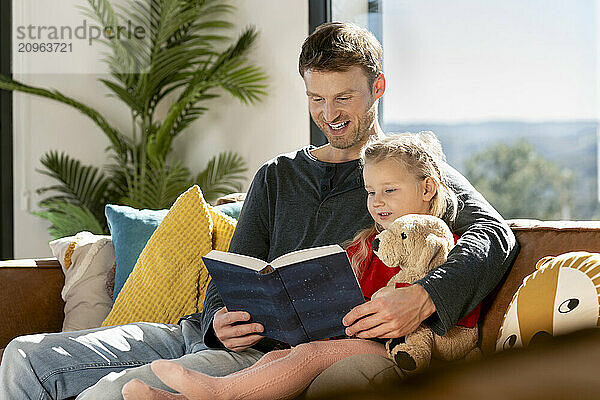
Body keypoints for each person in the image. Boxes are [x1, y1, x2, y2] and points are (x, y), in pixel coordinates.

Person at [0, 22, 517, 400]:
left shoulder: (406, 174)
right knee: (24, 357)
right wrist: (219, 319)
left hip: (269, 362)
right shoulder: (276, 175)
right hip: (214, 338)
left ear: (377, 88)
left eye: (344, 98)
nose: (330, 116)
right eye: (316, 99)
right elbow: (235, 269)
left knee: (114, 395)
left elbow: (494, 235)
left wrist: (425, 296)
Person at [119, 131, 482, 400]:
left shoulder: (434, 239)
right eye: (370, 192)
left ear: (429, 188)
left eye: (390, 191)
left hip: (408, 347)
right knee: (282, 355)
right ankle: (180, 399)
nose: (377, 202)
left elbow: (434, 301)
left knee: (309, 354)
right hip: (366, 337)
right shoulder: (374, 240)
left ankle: (218, 393)